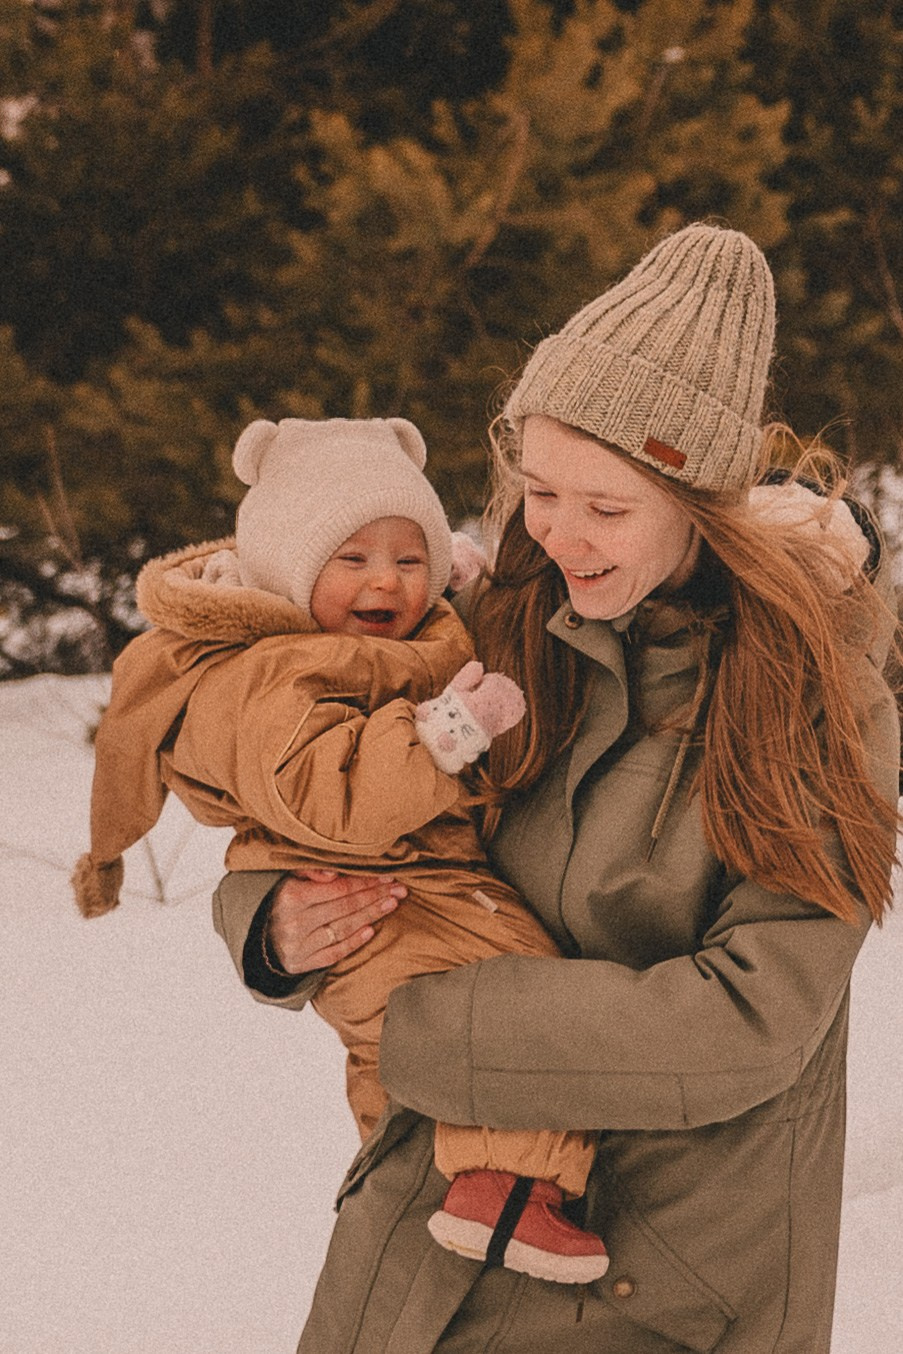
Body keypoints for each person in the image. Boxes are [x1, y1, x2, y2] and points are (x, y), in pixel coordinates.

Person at [212, 223, 901, 1353]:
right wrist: (269, 922)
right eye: (540, 489)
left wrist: (433, 1026)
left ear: (702, 504)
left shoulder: (810, 698)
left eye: (607, 507)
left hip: (654, 1276)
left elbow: (755, 1015)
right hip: (421, 1239)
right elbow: (311, 777)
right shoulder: (502, 632)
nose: (560, 533)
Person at [72, 413, 610, 1285]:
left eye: (410, 561)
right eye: (352, 559)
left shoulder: (400, 634)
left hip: (408, 884)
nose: (387, 583)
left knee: (401, 1054)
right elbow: (328, 794)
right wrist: (443, 733)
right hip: (377, 890)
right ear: (288, 565)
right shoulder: (267, 671)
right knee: (504, 1003)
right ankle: (505, 1191)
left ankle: (440, 1193)